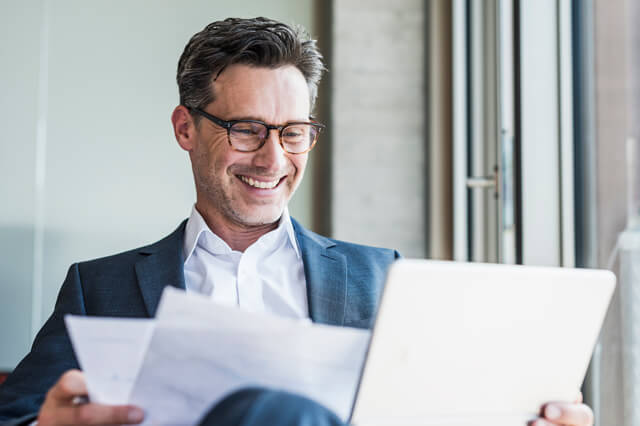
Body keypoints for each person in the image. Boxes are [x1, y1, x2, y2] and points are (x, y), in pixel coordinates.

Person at [0, 17, 593, 426]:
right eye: (247, 129)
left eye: (293, 132)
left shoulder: (381, 276)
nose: (273, 158)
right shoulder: (99, 287)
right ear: (186, 128)